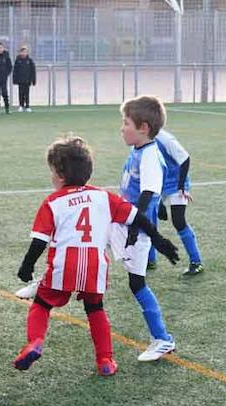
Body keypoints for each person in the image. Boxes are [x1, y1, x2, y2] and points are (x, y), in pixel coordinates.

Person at [13, 135, 179, 375]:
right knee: (95, 310)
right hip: (95, 267)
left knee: (42, 304)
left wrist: (26, 266)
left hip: (64, 265)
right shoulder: (104, 196)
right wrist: (158, 239)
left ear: (59, 175)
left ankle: (35, 342)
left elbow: (40, 240)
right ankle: (105, 360)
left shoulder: (52, 202)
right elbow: (138, 218)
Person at [113, 95, 178, 362]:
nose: (122, 127)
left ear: (143, 128)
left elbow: (149, 192)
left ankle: (162, 339)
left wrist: (133, 225)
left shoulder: (150, 155)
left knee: (137, 283)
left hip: (135, 229)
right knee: (84, 237)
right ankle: (48, 280)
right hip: (122, 222)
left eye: (126, 122)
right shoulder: (138, 150)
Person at [153, 127, 205, 276]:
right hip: (159, 185)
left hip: (176, 184)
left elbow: (185, 159)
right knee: (150, 218)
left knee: (178, 221)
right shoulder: (144, 139)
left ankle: (196, 261)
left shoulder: (165, 139)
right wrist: (159, 201)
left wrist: (181, 186)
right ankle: (150, 260)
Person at [13, 45, 37, 112]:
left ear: (27, 53)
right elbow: (15, 71)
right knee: (21, 93)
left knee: (27, 93)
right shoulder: (18, 61)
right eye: (22, 52)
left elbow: (33, 71)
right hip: (20, 80)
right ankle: (21, 106)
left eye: (25, 52)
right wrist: (14, 80)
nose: (23, 53)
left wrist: (33, 80)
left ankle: (27, 106)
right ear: (20, 53)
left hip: (27, 80)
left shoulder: (30, 61)